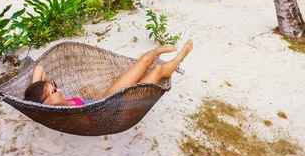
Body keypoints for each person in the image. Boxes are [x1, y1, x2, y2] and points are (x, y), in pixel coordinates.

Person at [24, 40, 193, 106]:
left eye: (55, 86)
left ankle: (157, 51)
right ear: (45, 104)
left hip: (107, 97)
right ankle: (179, 58)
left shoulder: (52, 104)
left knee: (145, 61)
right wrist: (39, 104)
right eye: (54, 91)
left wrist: (38, 86)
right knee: (157, 70)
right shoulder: (60, 114)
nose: (59, 89)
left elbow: (39, 68)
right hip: (117, 107)